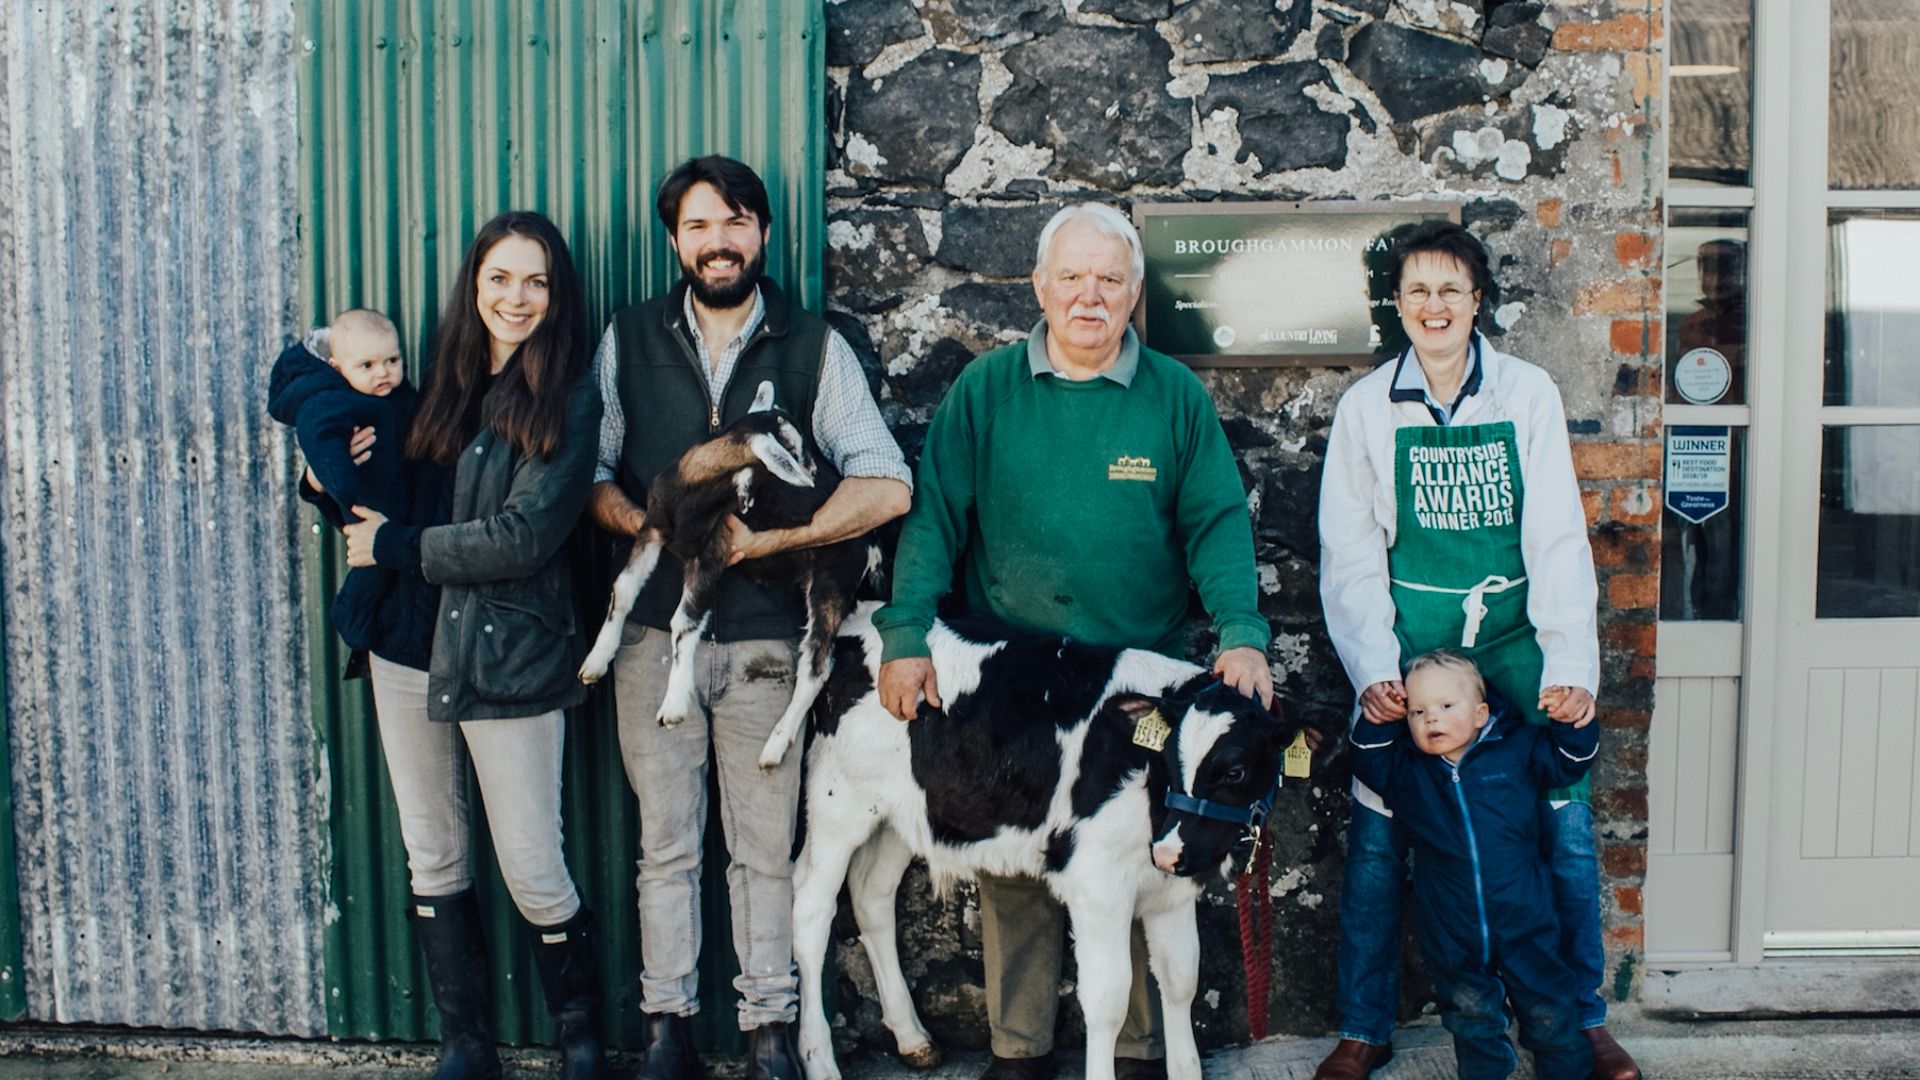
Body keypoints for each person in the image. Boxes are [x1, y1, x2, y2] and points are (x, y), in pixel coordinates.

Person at [873, 202, 1272, 1080]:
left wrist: (1241, 635)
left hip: (1134, 679)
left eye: (1110, 280)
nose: (1090, 296)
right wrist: (904, 634)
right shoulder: (986, 392)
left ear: (1135, 294)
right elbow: (935, 517)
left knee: (1130, 854)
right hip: (1011, 675)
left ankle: (1130, 1049)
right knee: (1015, 856)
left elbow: (1216, 525)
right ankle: (1020, 1048)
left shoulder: (1173, 396)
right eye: (1073, 277)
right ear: (1040, 287)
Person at [585, 155, 912, 1080]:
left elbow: (887, 484)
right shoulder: (627, 341)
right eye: (697, 226)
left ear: (762, 234)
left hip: (772, 641)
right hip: (656, 640)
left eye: (733, 223)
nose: (717, 242)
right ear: (675, 241)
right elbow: (591, 475)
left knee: (766, 853)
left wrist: (763, 548)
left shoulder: (813, 347)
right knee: (666, 848)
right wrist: (659, 527)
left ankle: (770, 1033)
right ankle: (667, 1032)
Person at [1315, 219, 1639, 1080]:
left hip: (1520, 640)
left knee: (1562, 837)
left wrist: (1569, 667)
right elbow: (1348, 554)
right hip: (1414, 650)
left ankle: (1579, 1017)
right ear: (1397, 303)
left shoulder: (1524, 393)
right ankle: (1364, 1023)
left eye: (1450, 289)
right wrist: (1375, 671)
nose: (1434, 304)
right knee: (1383, 840)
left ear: (1477, 301)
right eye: (1417, 289)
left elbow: (1559, 537)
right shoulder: (1365, 410)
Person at [329, 210, 609, 1080]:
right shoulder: (431, 383)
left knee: (532, 861)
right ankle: (466, 1044)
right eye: (499, 278)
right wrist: (330, 473)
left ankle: (581, 1038)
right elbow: (377, 496)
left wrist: (400, 547)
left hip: (510, 654)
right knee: (433, 848)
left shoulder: (569, 397)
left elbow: (525, 536)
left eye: (536, 281)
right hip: (407, 645)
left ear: (556, 294)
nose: (515, 298)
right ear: (474, 284)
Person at [1347, 651, 1598, 1080]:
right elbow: (1367, 759)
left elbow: (1570, 760)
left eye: (1446, 707)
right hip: (1452, 927)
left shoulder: (1517, 750)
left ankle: (1566, 1071)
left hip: (1526, 916)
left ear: (1481, 714)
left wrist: (1572, 720)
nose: (1431, 719)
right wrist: (1377, 718)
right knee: (1470, 1015)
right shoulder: (1408, 772)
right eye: (1417, 712)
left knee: (1549, 1008)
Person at [271, 308, 416, 659]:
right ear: (338, 369)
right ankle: (351, 618)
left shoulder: (399, 396)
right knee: (372, 573)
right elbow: (322, 444)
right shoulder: (329, 401)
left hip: (399, 505)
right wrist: (337, 483)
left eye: (392, 361)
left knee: (388, 568)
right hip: (363, 503)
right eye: (367, 366)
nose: (383, 373)